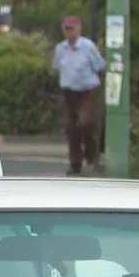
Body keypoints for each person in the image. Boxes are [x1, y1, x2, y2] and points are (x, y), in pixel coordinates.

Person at [52, 16, 106, 175]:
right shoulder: (60, 48)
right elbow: (57, 68)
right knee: (71, 127)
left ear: (79, 29)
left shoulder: (88, 47)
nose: (69, 32)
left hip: (88, 91)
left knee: (85, 123)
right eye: (66, 29)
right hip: (69, 92)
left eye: (72, 28)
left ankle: (92, 154)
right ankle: (75, 162)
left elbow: (100, 66)